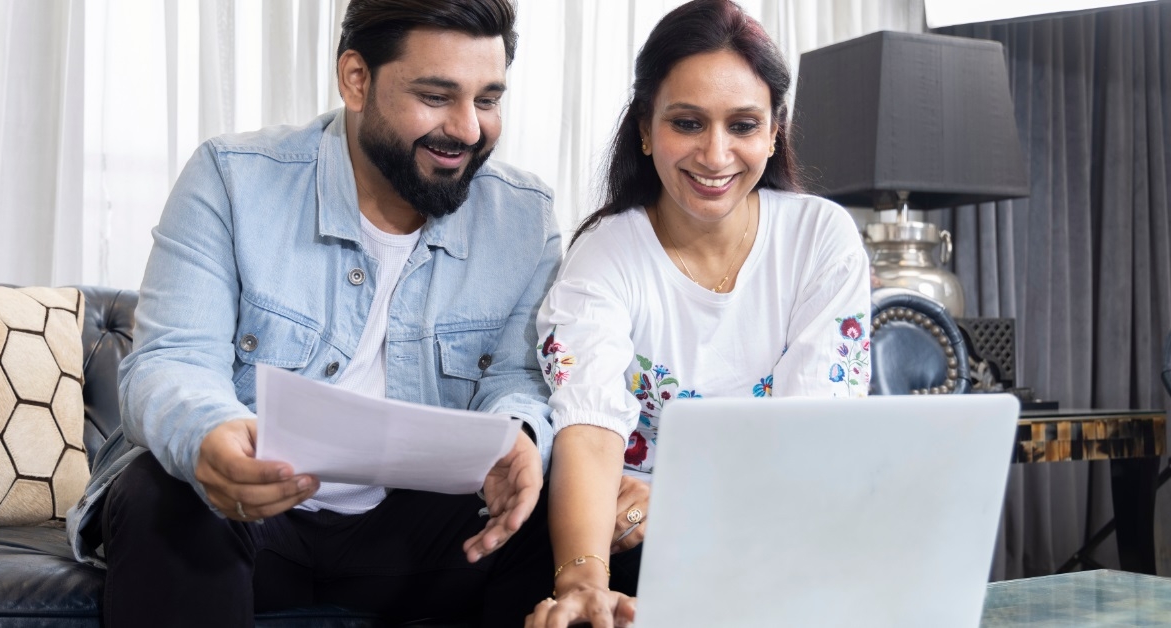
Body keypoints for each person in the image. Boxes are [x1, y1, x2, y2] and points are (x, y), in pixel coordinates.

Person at [65, 1, 563, 625]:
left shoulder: (525, 217)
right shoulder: (233, 178)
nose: (467, 129)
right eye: (436, 97)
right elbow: (172, 360)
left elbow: (519, 380)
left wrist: (518, 437)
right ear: (356, 79)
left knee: (555, 503)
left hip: (415, 537)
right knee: (164, 491)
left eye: (487, 100)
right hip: (250, 519)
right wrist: (209, 435)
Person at [525, 1, 871, 626]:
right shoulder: (604, 254)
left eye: (743, 125)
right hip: (637, 548)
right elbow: (589, 426)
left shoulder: (822, 238)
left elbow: (814, 442)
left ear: (774, 132)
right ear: (644, 128)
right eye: (687, 123)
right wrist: (582, 583)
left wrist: (676, 504)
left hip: (782, 538)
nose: (715, 154)